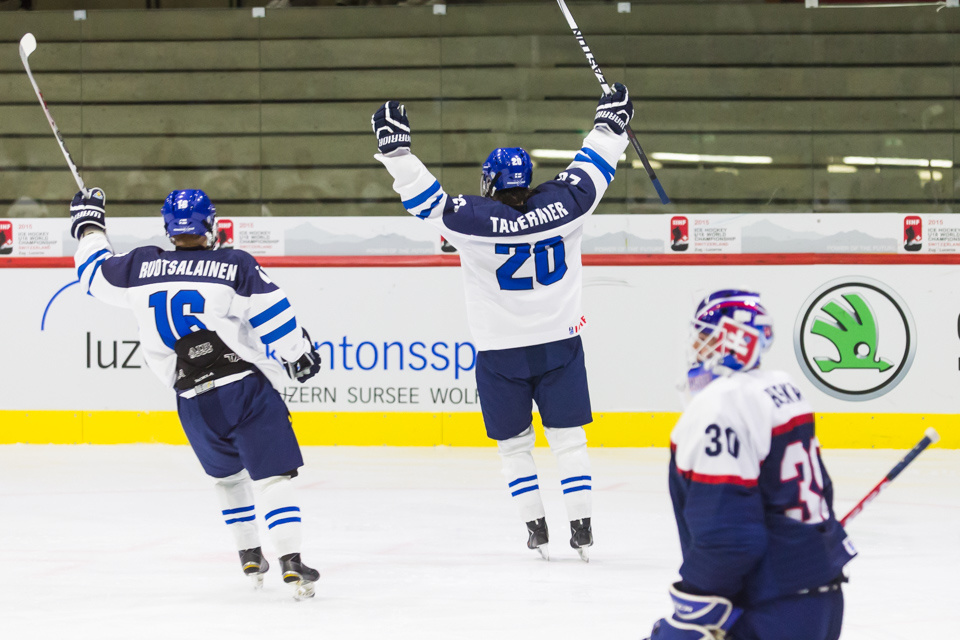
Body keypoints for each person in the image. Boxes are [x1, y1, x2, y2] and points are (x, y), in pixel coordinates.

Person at [371, 84, 634, 561]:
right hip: (560, 344)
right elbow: (596, 163)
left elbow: (424, 198)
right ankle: (582, 526)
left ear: (489, 181)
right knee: (569, 442)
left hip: (500, 353)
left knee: (515, 447)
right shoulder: (567, 204)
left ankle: (534, 527)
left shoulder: (470, 220)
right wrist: (612, 121)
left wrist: (396, 151)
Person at [70, 188, 323, 599]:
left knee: (228, 480)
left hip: (192, 401)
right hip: (243, 389)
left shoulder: (139, 266)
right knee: (273, 477)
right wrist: (298, 356)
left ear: (168, 228)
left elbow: (92, 274)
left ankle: (249, 555)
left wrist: (89, 224)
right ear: (211, 223)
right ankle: (290, 561)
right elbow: (275, 314)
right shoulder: (233, 263)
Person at [646, 289, 857, 640]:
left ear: (731, 341)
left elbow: (728, 535)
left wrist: (693, 606)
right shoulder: (783, 387)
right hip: (822, 597)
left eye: (704, 337)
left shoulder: (720, 405)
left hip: (772, 606)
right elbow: (823, 493)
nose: (696, 348)